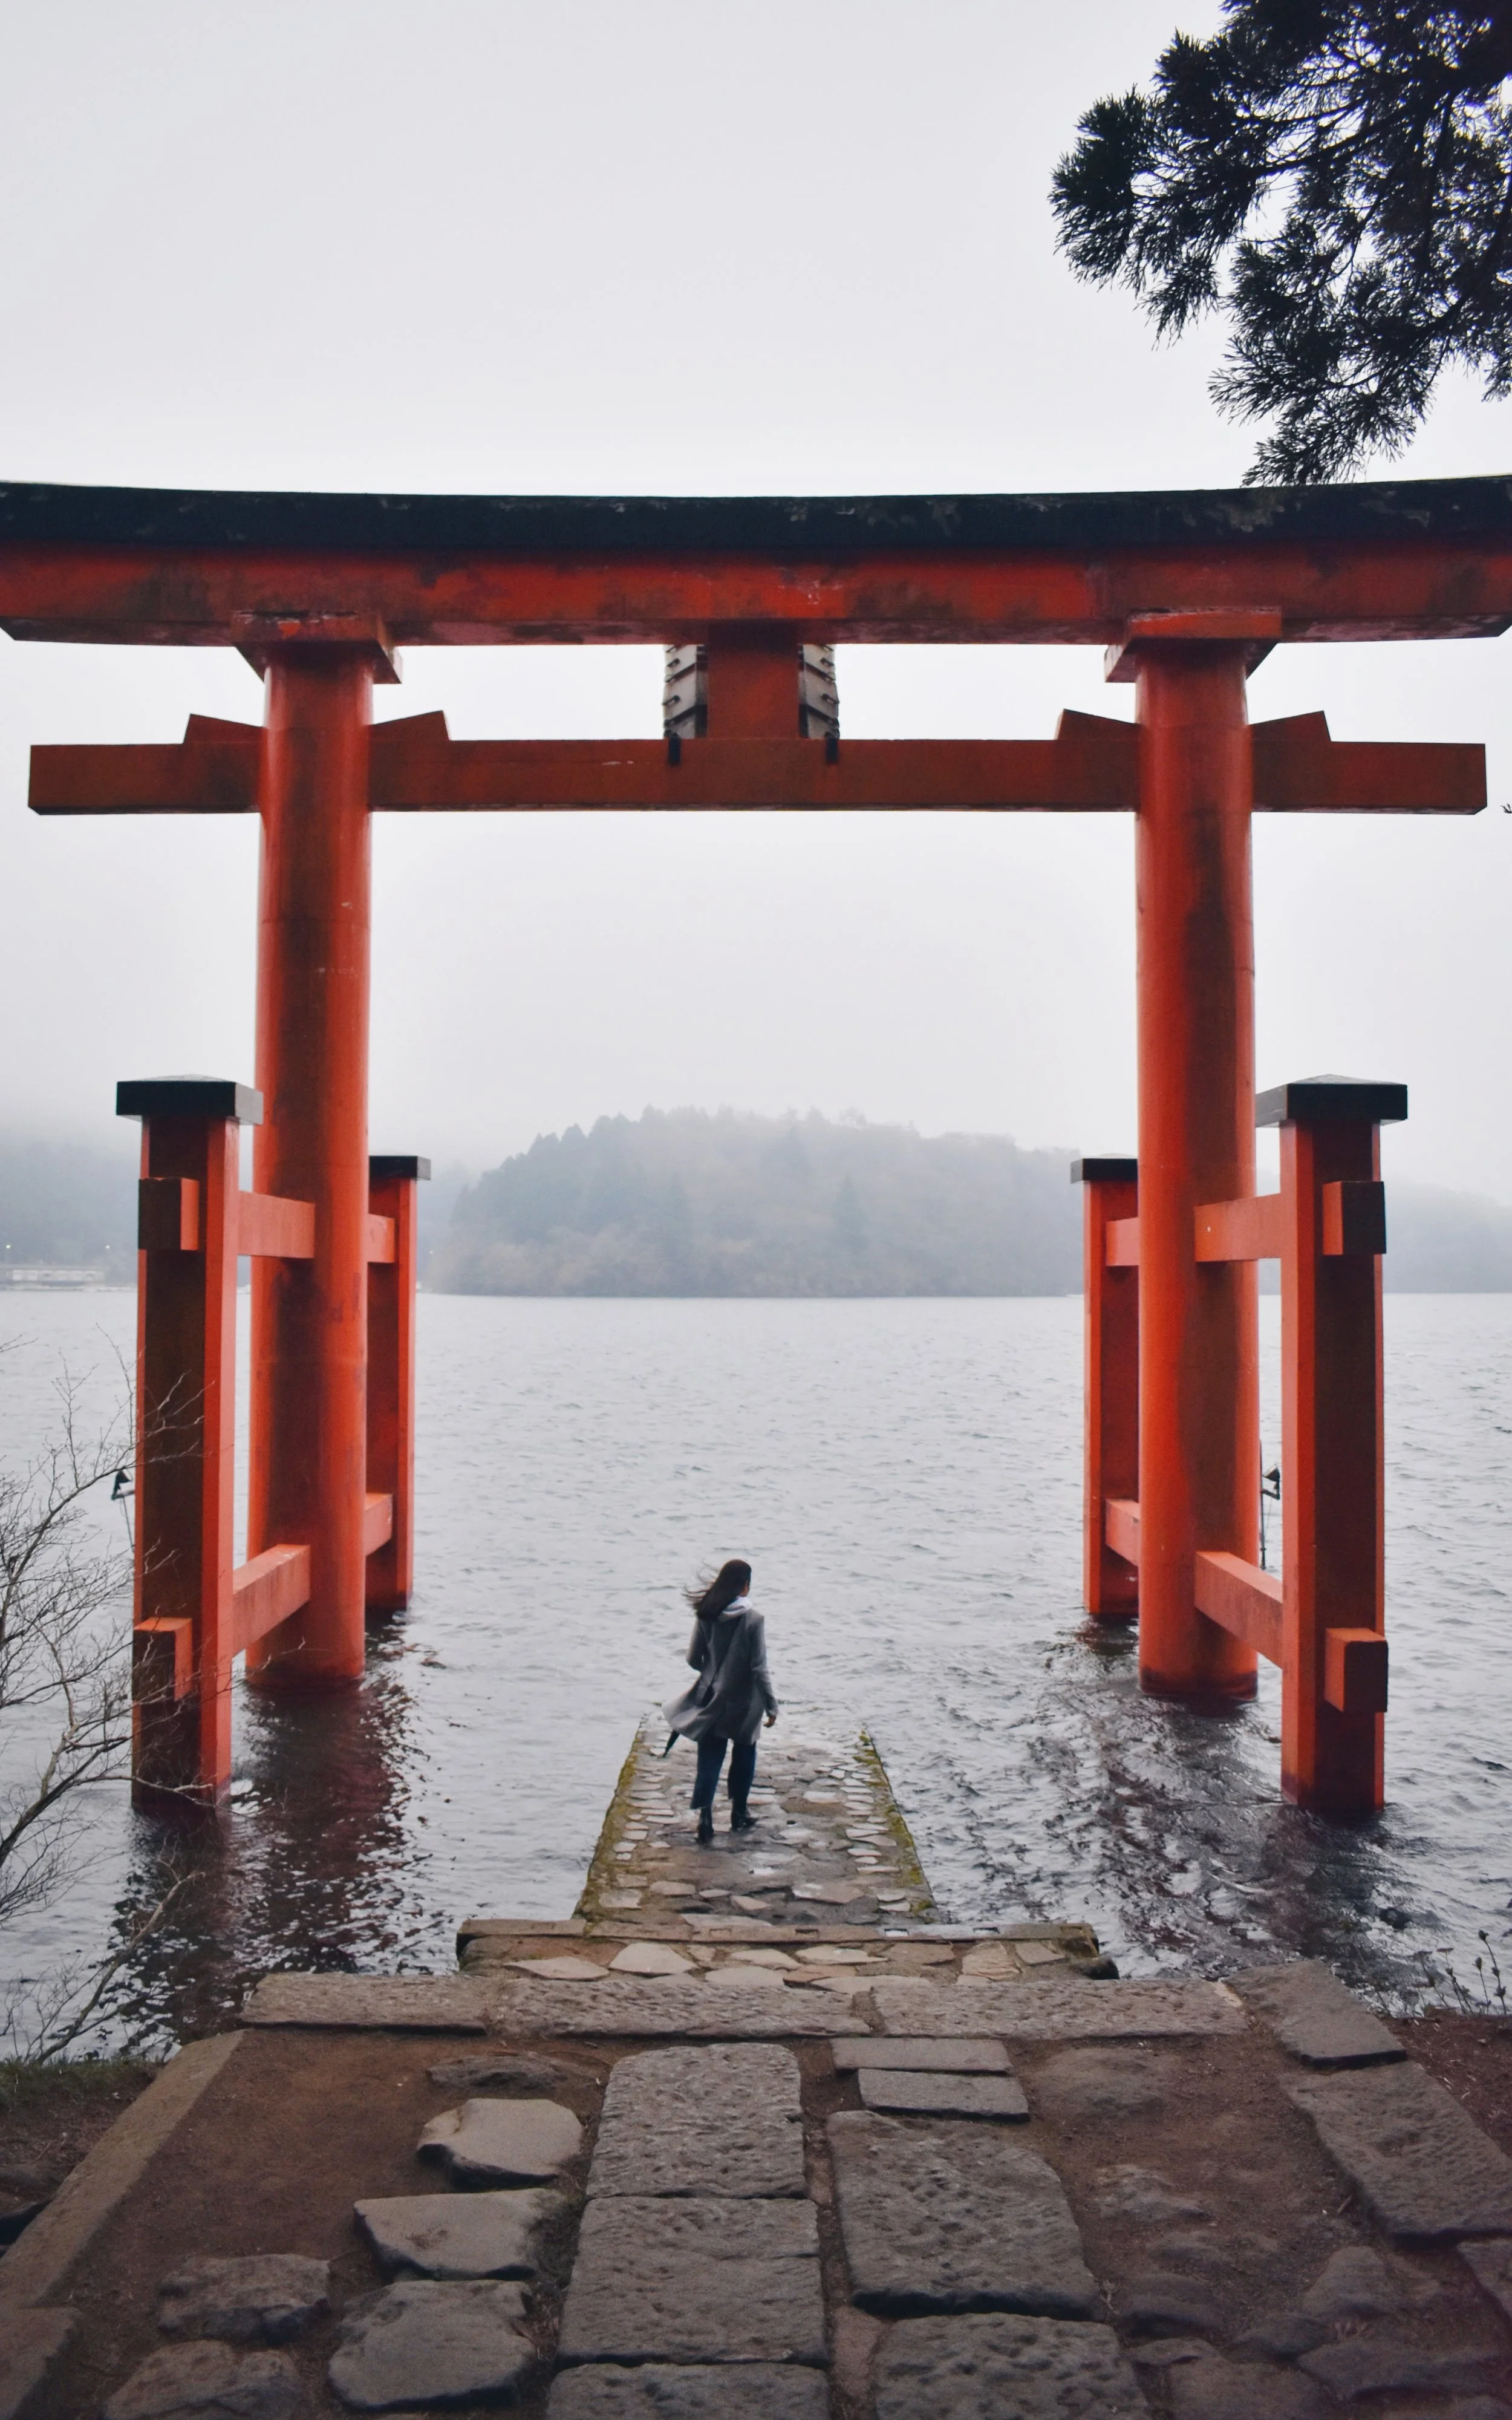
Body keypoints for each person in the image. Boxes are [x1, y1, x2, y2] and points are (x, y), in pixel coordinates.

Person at [663, 1558, 778, 1844]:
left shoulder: (706, 1614)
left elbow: (692, 1659)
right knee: (745, 1751)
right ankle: (739, 1813)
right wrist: (772, 1706)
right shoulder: (754, 1620)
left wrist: (712, 1674)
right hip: (745, 1702)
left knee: (710, 1756)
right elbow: (759, 1668)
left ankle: (705, 1818)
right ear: (745, 1586)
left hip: (712, 1698)